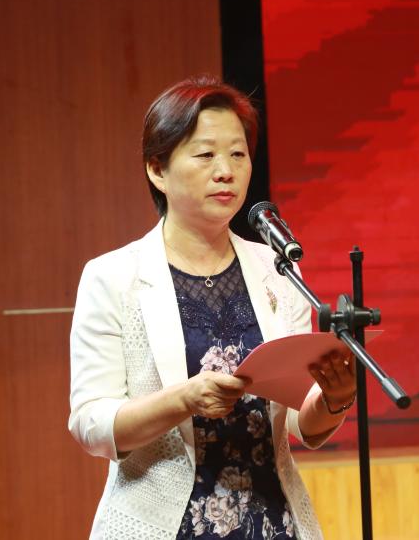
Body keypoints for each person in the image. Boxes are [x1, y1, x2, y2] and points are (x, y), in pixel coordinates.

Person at [68, 75, 357, 539]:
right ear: (157, 169)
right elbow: (91, 424)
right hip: (161, 526)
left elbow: (301, 422)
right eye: (205, 155)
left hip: (272, 522)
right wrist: (183, 399)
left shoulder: (277, 270)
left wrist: (334, 398)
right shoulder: (113, 277)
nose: (225, 171)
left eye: (238, 155)